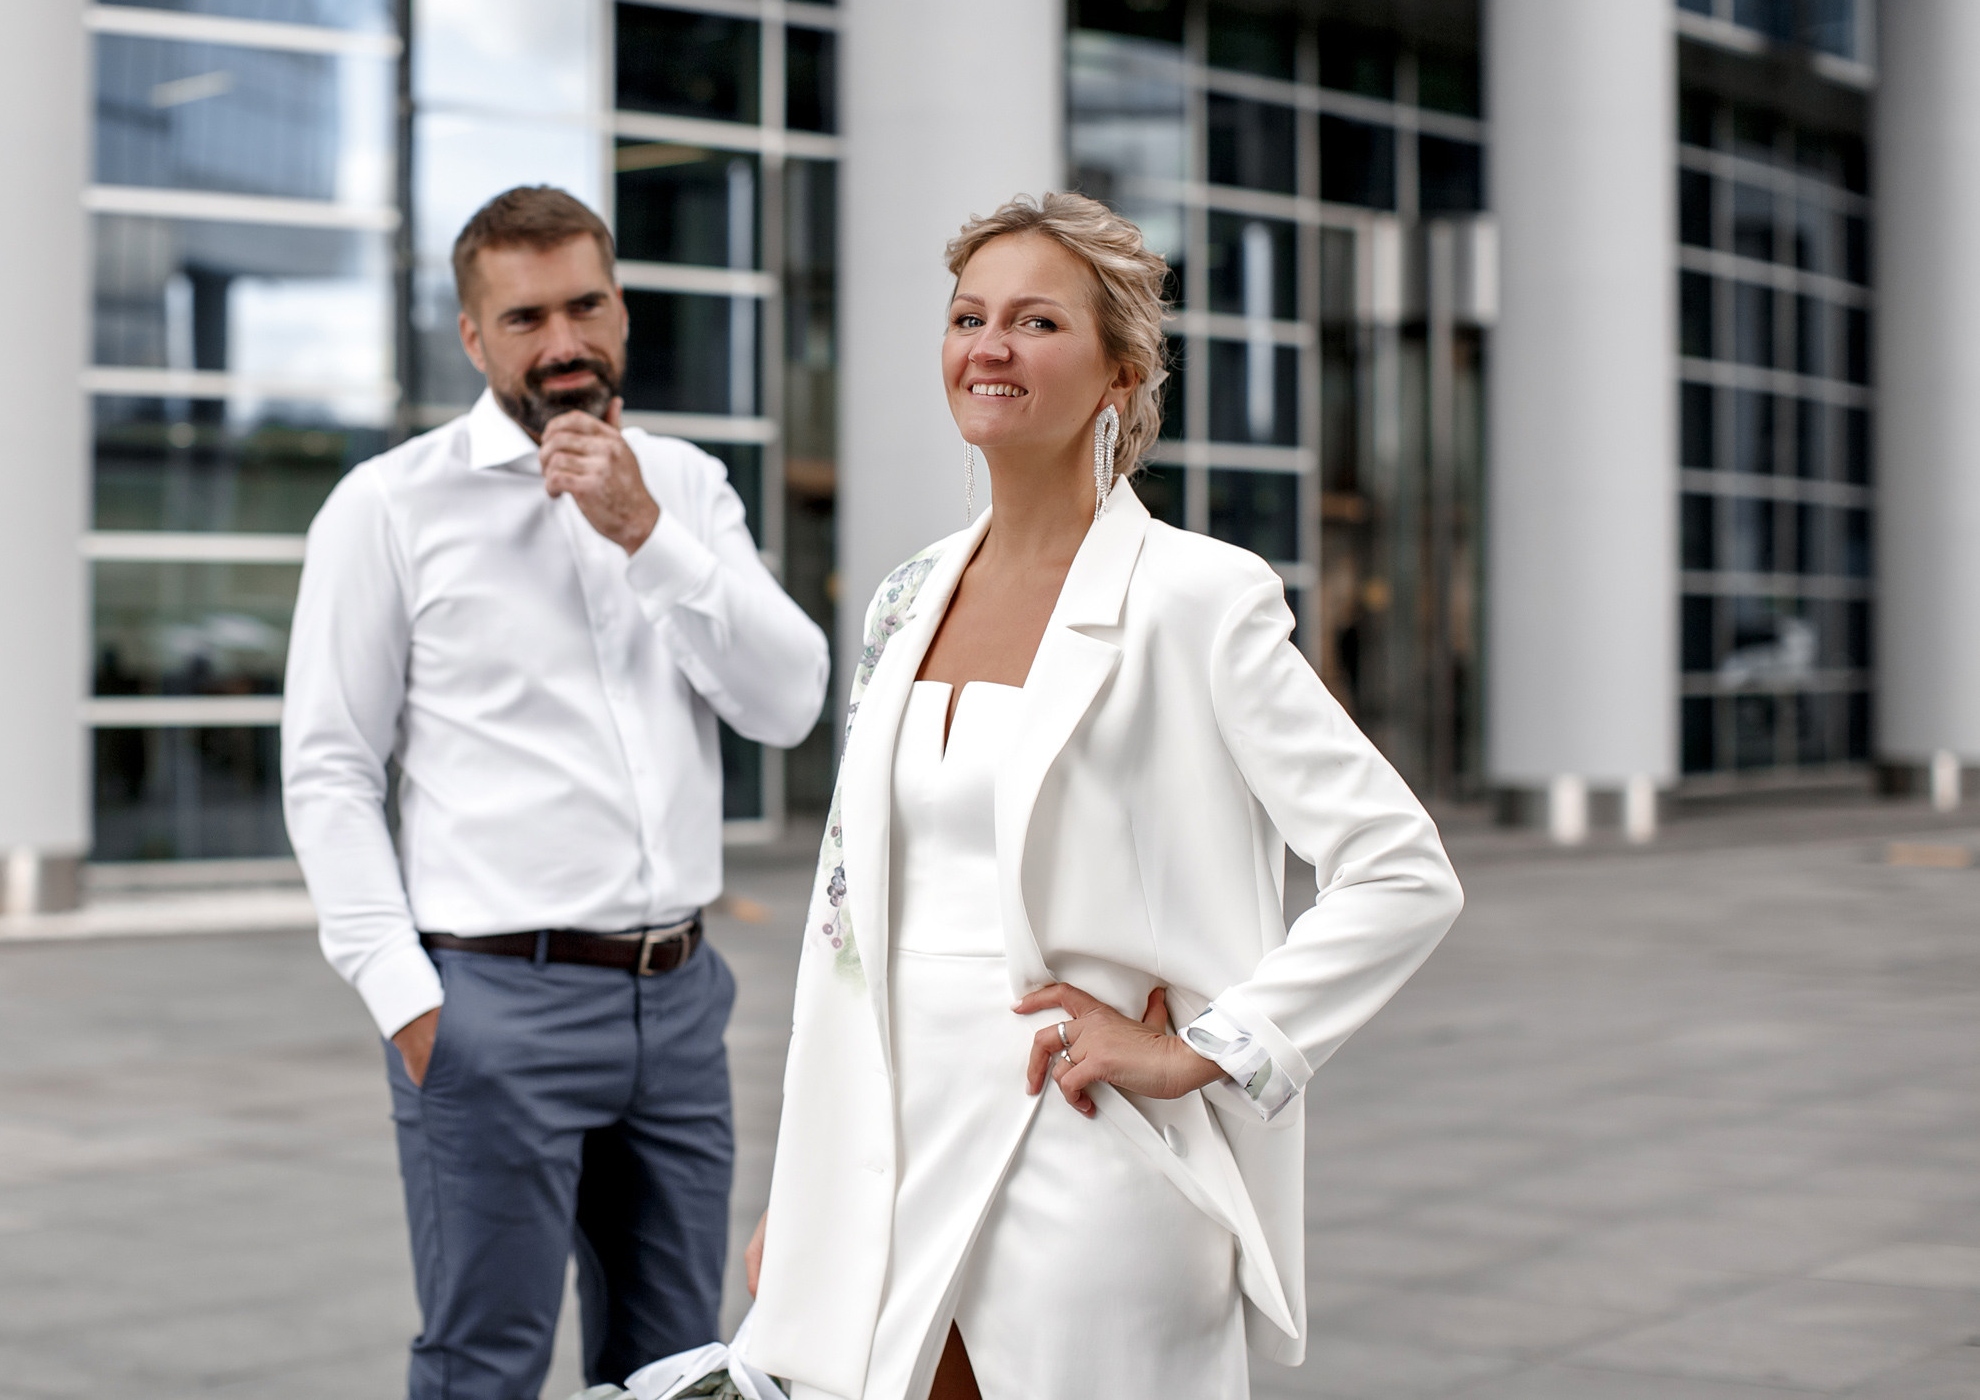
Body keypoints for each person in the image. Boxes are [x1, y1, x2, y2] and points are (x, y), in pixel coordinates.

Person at [733, 193, 1463, 1400]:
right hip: (884, 1164)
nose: (991, 347)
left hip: (1077, 1156)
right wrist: (801, 1195)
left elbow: (1400, 869)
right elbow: (848, 928)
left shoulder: (1199, 598)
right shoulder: (905, 597)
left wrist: (1212, 1052)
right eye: (970, 317)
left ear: (1119, 371)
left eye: (1035, 321)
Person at [281, 186, 830, 1399]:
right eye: (526, 317)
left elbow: (790, 702)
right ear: (475, 341)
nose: (564, 340)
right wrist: (411, 1004)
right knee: (486, 1361)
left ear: (622, 310)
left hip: (678, 1004)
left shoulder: (683, 486)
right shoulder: (389, 507)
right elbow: (327, 768)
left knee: (680, 1365)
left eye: (586, 304)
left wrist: (646, 533)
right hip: (490, 1005)